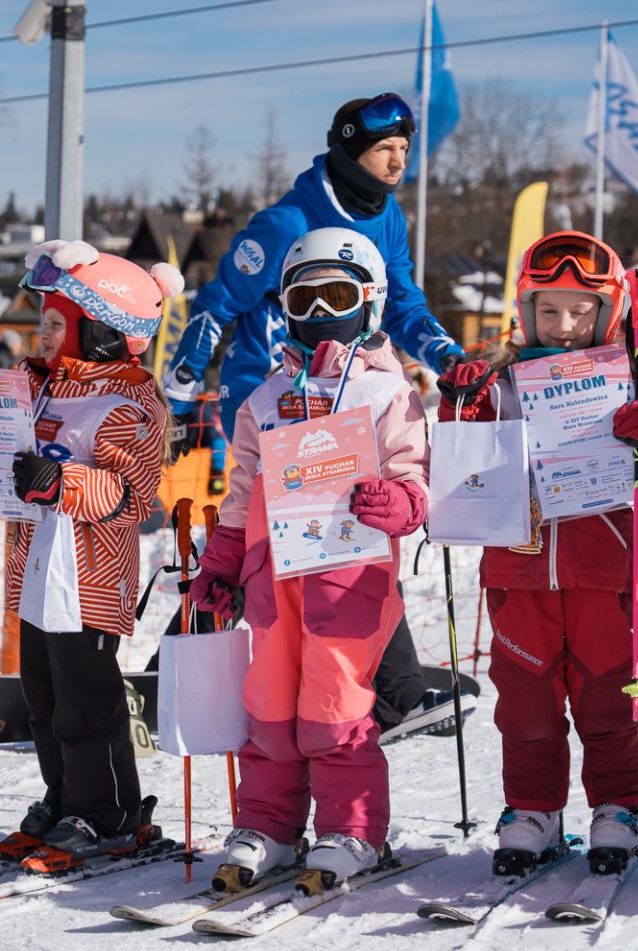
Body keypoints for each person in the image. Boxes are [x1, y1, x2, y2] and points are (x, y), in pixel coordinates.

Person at [162, 94, 465, 737]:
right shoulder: (286, 222)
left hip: (347, 392)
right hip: (272, 394)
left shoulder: (387, 218)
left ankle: (385, 689)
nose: (398, 162)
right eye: (384, 149)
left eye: (404, 149)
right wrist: (181, 394)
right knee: (276, 542)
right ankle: (182, 671)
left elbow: (402, 303)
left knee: (344, 538)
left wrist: (448, 357)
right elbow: (217, 304)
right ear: (350, 152)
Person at [436, 231, 638, 875]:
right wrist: (460, 409)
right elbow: (463, 476)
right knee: (526, 705)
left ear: (607, 314)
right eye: (548, 310)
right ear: (525, 313)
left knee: (608, 701)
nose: (566, 325)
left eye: (581, 311)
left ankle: (618, 808)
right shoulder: (500, 386)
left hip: (603, 576)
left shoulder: (626, 387)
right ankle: (533, 810)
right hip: (519, 576)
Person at [190, 228, 429, 886]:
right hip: (274, 581)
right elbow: (243, 492)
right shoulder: (265, 400)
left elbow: (414, 476)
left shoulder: (387, 393)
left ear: (370, 304)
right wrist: (222, 562)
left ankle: (352, 829)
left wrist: (398, 502)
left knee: (334, 707)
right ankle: (269, 824)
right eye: (305, 299)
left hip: (348, 581)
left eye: (337, 297)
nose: (320, 313)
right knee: (268, 705)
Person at [0, 239, 175, 869]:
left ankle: (108, 813)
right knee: (45, 700)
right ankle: (64, 799)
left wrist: (62, 482)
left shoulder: (130, 401)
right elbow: (5, 451)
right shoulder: (38, 387)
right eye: (45, 322)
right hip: (35, 572)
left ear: (101, 330)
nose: (44, 334)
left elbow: (132, 494)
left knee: (86, 702)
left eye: (57, 323)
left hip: (89, 580)